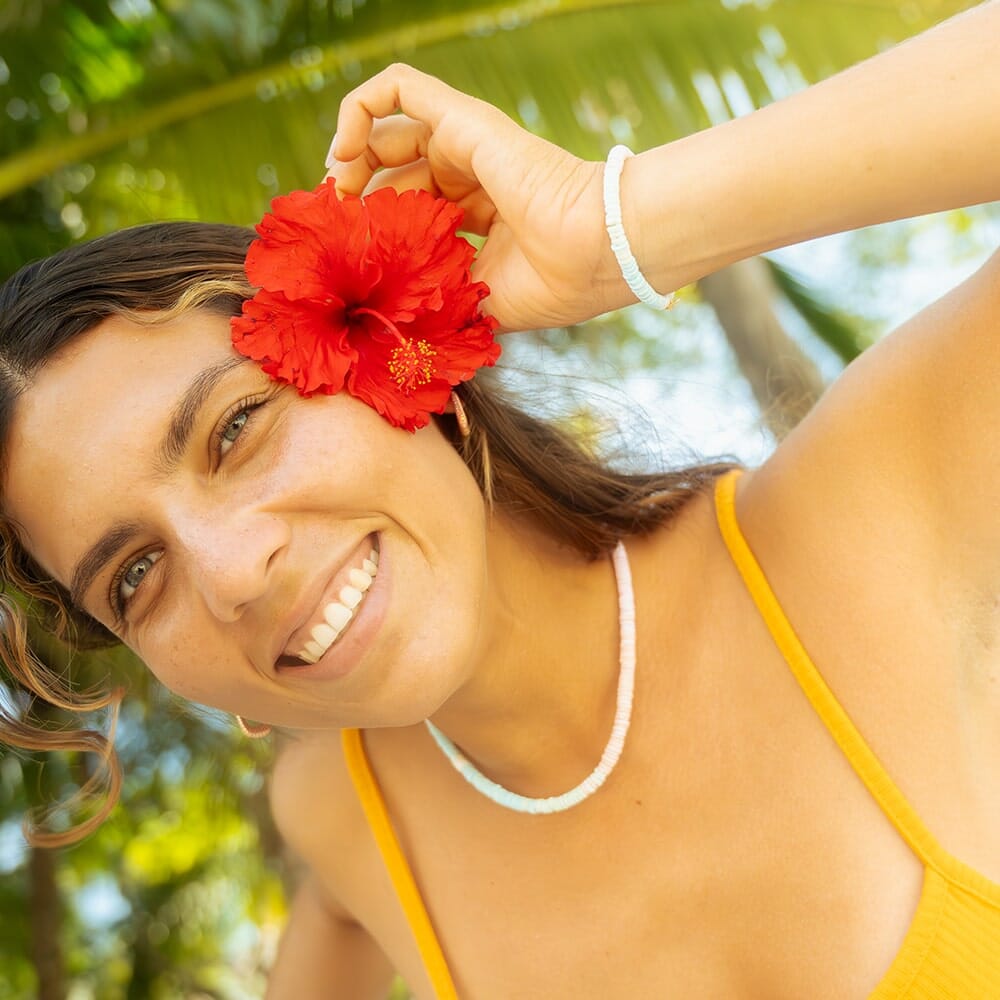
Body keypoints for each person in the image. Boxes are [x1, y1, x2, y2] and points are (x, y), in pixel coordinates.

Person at [1, 1, 998, 997]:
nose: (227, 573)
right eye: (135, 576)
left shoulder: (867, 517)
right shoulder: (346, 820)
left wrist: (617, 228)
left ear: (389, 358)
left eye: (233, 428)